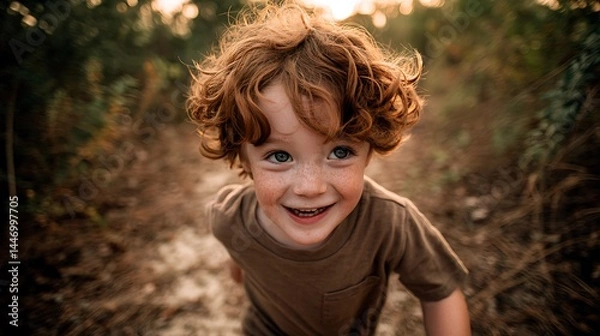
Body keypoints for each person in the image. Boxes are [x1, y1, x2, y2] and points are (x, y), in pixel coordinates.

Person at [187, 2, 470, 335]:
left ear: (369, 150)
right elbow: (239, 258)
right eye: (279, 157)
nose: (310, 187)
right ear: (244, 158)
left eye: (339, 151)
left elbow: (441, 292)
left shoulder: (390, 222)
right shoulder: (230, 217)